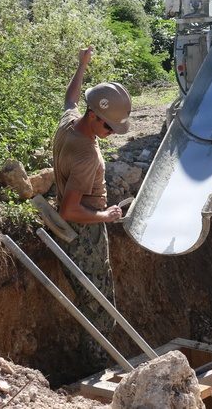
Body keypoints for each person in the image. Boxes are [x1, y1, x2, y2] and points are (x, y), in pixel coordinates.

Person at [52, 45, 131, 366]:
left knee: (93, 302)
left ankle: (93, 362)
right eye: (109, 127)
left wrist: (81, 64)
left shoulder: (70, 121)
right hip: (86, 235)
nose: (112, 134)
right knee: (101, 309)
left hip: (74, 231)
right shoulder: (87, 155)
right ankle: (95, 370)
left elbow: (71, 98)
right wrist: (105, 215)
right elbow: (68, 211)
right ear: (94, 116)